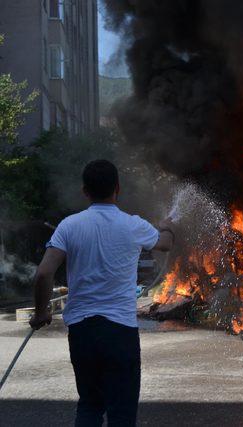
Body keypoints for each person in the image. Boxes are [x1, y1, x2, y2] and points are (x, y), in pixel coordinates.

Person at [29, 159, 176, 426]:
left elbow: (43, 273)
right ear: (117, 188)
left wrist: (41, 313)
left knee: (89, 406)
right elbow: (164, 244)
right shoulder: (134, 224)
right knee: (122, 413)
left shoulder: (69, 225)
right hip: (120, 332)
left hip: (83, 332)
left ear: (85, 191)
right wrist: (166, 226)